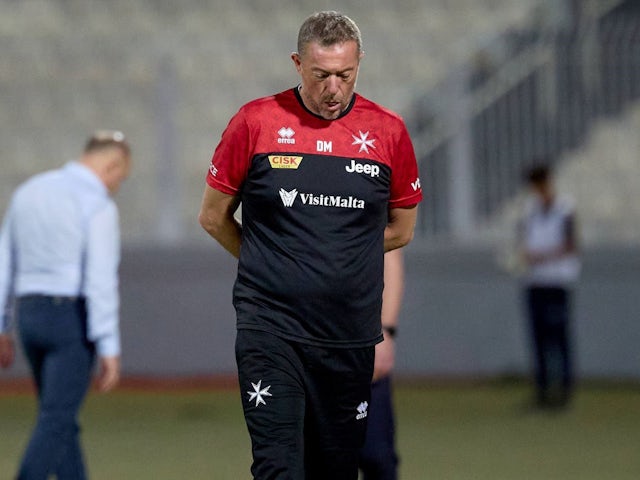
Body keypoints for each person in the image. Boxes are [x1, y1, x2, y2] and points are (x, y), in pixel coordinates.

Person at [198, 11, 422, 479]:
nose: (333, 87)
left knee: (334, 471)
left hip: (348, 335)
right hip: (271, 327)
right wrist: (271, 263)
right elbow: (213, 217)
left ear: (359, 61)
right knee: (279, 467)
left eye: (344, 74)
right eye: (321, 75)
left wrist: (337, 258)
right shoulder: (256, 122)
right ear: (298, 64)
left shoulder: (388, 132)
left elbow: (402, 229)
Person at [0, 130, 131, 479]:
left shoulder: (28, 192)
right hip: (69, 319)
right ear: (111, 164)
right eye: (120, 176)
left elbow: (4, 262)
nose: (117, 185)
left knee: (59, 417)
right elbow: (100, 280)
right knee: (56, 419)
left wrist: (2, 324)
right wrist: (108, 345)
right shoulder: (97, 205)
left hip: (29, 317)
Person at [517, 163, 580, 409]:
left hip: (558, 282)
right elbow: (524, 241)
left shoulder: (565, 209)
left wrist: (542, 257)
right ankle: (542, 391)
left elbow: (571, 245)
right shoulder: (530, 210)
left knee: (559, 338)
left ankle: (564, 392)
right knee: (538, 338)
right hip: (535, 281)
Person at [358, 248, 403, 480]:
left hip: (361, 338)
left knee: (377, 456)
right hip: (304, 340)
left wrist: (386, 329)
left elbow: (390, 254)